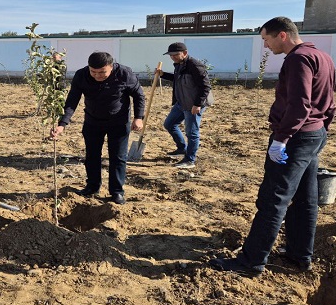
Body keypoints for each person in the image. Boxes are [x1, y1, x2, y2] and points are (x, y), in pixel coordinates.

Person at [209, 16, 336, 276]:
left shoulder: (298, 59)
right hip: (314, 134)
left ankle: (251, 262)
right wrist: (322, 130)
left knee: (273, 199)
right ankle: (299, 256)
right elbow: (330, 101)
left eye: (266, 39)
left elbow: (299, 105)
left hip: (296, 138)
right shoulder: (323, 57)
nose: (266, 46)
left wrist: (281, 138)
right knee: (305, 198)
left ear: (282, 35)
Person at [50, 52, 145, 205]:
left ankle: (116, 192)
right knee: (92, 156)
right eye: (93, 72)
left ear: (111, 67)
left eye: (102, 72)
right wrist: (62, 124)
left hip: (118, 123)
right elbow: (72, 100)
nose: (97, 75)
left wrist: (138, 117)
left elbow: (139, 95)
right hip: (92, 121)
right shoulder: (82, 75)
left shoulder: (124, 74)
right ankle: (92, 187)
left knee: (118, 158)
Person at [157, 42, 214, 169]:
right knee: (169, 124)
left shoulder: (195, 65)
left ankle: (190, 160)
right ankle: (182, 148)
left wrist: (197, 104)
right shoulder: (179, 65)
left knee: (192, 132)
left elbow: (205, 86)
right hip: (181, 102)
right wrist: (163, 74)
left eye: (176, 54)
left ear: (185, 53)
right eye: (171, 55)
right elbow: (177, 78)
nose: (173, 57)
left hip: (193, 104)